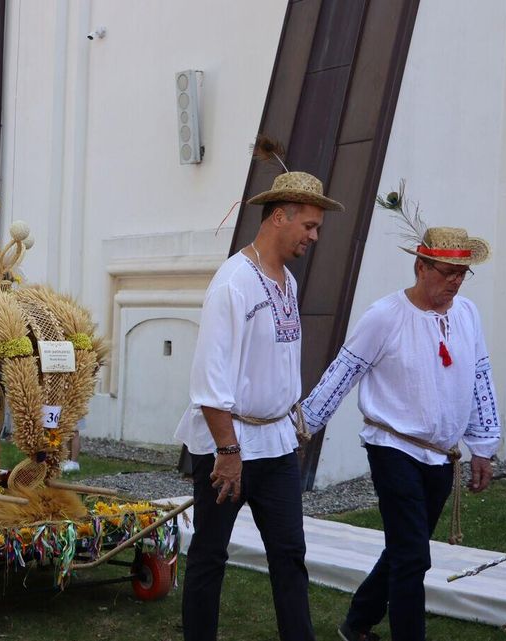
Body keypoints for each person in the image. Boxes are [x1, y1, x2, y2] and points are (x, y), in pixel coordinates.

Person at [302, 218, 500, 641]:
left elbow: (479, 377)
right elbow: (343, 371)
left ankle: (355, 624)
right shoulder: (384, 316)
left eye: (462, 273)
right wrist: (301, 427)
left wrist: (483, 447)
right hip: (393, 446)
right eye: (447, 273)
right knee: (413, 556)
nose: (456, 283)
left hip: (441, 454)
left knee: (403, 549)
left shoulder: (467, 314)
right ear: (421, 268)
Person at [173, 170, 343, 641]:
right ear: (279, 217)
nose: (313, 237)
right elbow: (210, 379)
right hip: (230, 448)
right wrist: (228, 453)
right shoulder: (233, 282)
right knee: (210, 554)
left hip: (276, 443)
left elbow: (280, 368)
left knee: (290, 553)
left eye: (317, 230)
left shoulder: (286, 281)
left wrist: (292, 428)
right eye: (308, 226)